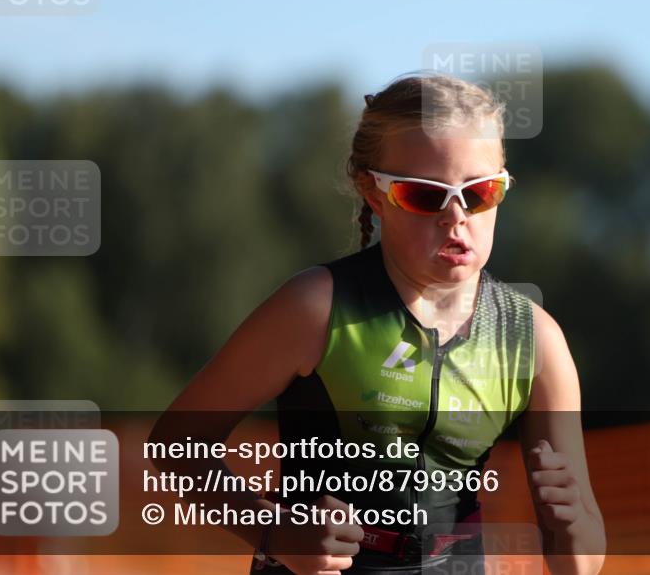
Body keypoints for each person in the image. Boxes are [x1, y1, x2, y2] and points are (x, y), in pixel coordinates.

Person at [150, 73, 606, 575]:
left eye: (480, 192)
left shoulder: (535, 340)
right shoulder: (316, 308)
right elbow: (175, 446)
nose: (456, 218)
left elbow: (579, 561)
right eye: (425, 196)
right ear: (374, 192)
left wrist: (572, 525)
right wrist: (274, 531)